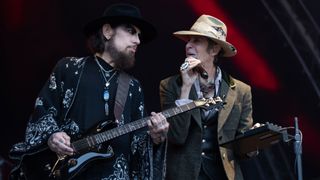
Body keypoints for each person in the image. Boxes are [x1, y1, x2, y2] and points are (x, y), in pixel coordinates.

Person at [9, 3, 169, 180]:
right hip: (67, 174)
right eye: (131, 31)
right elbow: (43, 111)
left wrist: (155, 138)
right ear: (107, 31)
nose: (138, 40)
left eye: (139, 35)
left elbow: (137, 146)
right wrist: (52, 136)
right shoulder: (69, 68)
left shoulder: (132, 86)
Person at [159, 14, 253, 180]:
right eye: (188, 40)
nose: (188, 45)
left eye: (197, 41)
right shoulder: (169, 85)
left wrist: (255, 139)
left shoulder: (240, 91)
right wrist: (186, 88)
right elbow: (176, 137)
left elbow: (245, 151)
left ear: (214, 49)